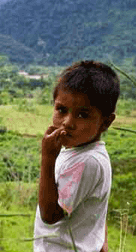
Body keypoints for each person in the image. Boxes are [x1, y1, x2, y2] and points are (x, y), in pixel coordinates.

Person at [34, 60, 119, 252]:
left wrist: (47, 159)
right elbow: (94, 209)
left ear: (106, 122)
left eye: (83, 115)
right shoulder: (85, 152)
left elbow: (50, 215)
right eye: (61, 110)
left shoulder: (87, 161)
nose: (67, 123)